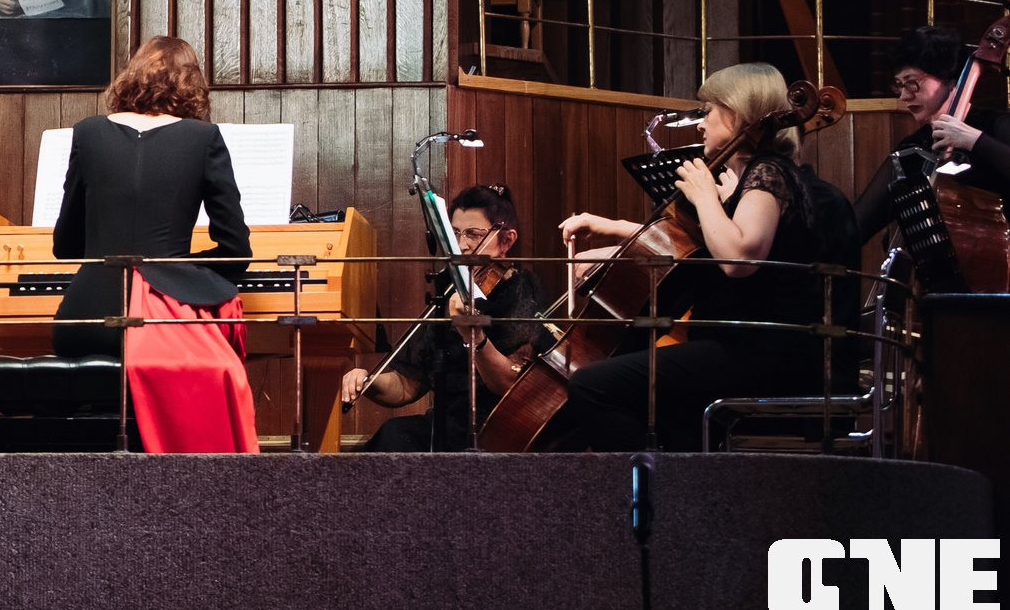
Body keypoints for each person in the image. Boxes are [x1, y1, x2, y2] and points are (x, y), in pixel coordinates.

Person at [546, 62, 819, 451]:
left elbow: (738, 259)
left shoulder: (768, 174)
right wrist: (617, 232)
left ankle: (652, 493)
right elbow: (693, 244)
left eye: (709, 111)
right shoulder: (748, 178)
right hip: (734, 344)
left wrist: (705, 195)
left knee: (592, 386)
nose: (701, 124)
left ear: (739, 113)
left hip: (758, 351)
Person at [51, 36, 258, 453]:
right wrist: (177, 268)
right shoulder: (203, 139)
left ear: (130, 77)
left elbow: (65, 245)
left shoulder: (88, 133)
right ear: (192, 85)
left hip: (84, 319)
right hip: (161, 321)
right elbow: (236, 250)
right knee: (220, 370)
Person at [341, 184, 547, 451]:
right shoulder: (450, 289)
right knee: (394, 435)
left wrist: (474, 336)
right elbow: (406, 385)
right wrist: (367, 381)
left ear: (506, 240)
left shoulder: (522, 290)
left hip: (498, 429)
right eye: (455, 233)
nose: (461, 245)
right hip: (446, 424)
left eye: (473, 234)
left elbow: (510, 384)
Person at [854, 25, 1010, 245]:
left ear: (947, 78)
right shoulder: (913, 148)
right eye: (899, 85)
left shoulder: (996, 126)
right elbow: (858, 225)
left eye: (912, 83)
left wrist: (975, 141)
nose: (904, 96)